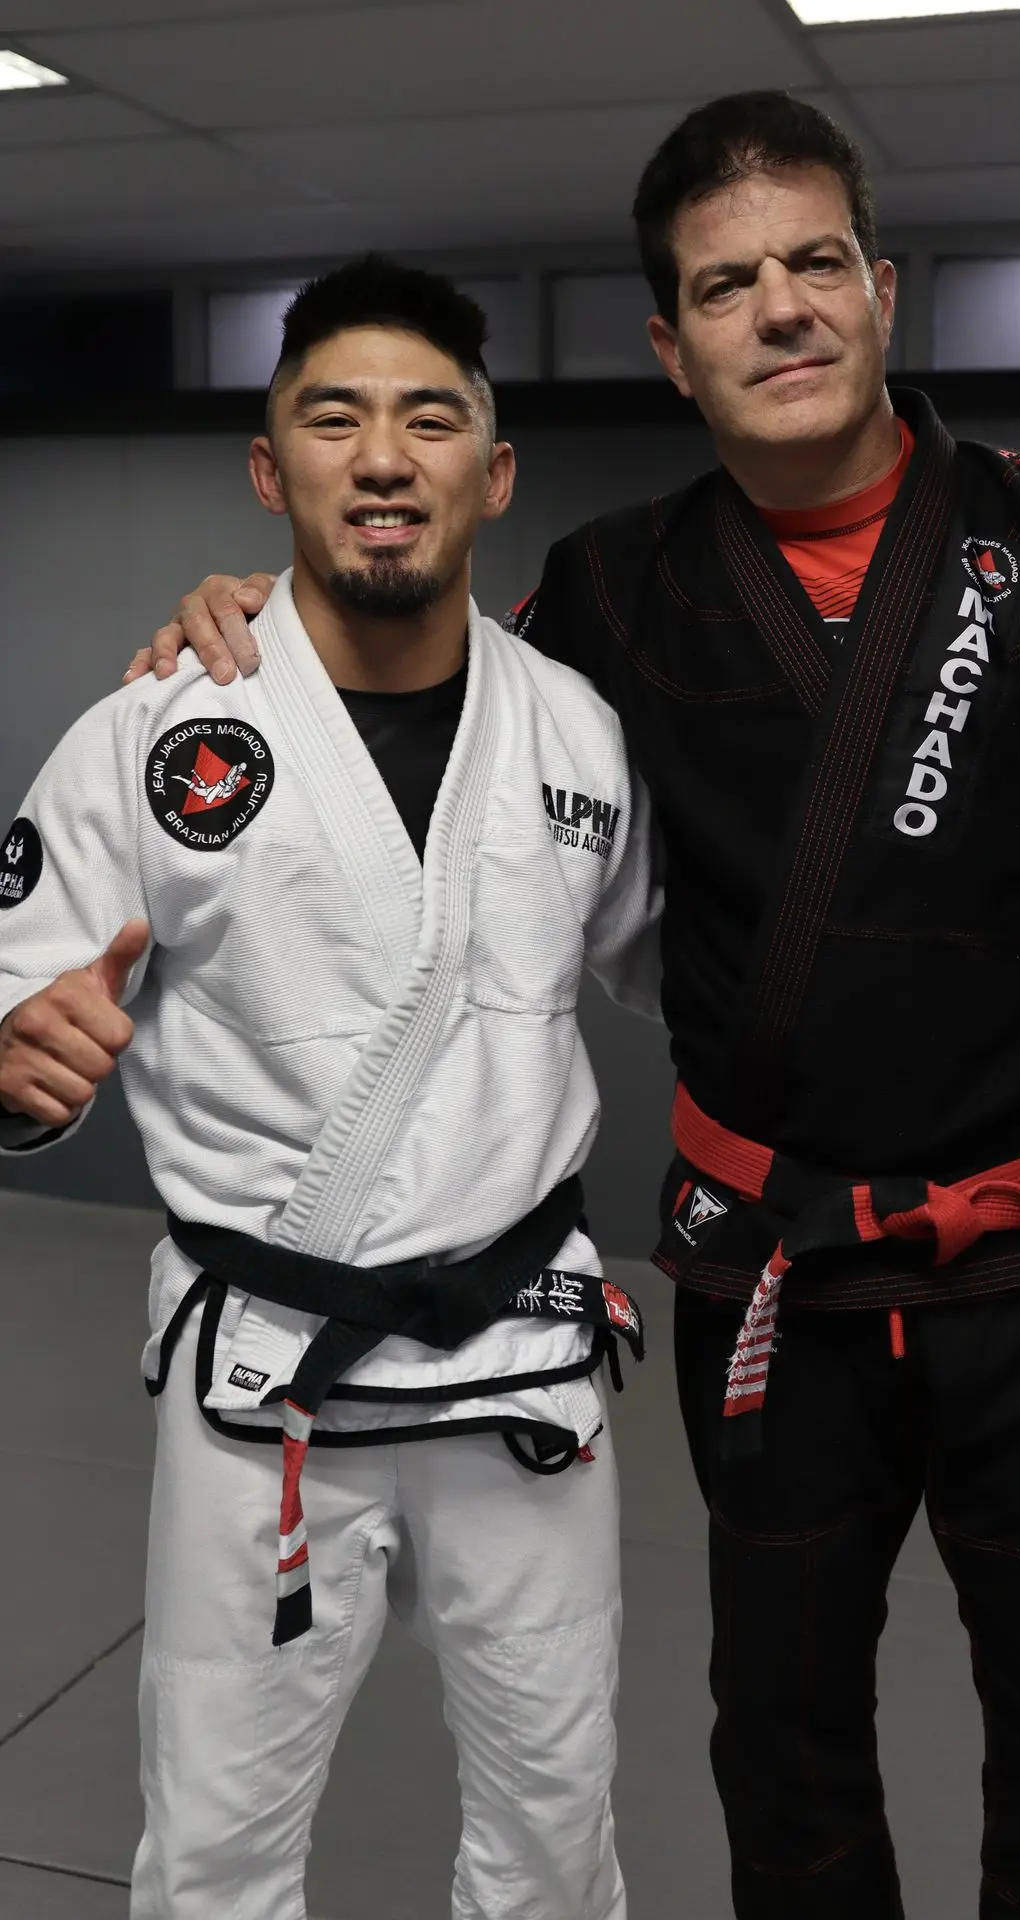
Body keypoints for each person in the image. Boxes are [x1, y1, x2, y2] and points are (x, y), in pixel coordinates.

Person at [127, 93, 1020, 1920]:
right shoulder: (615, 589)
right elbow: (424, 694)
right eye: (728, 283)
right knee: (784, 1733)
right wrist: (244, 635)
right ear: (674, 345)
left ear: (884, 291)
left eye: (818, 262)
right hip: (772, 1274)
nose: (784, 308)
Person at [0, 255, 662, 1920]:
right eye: (334, 417)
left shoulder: (580, 734)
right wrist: (17, 1074)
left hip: (520, 1361)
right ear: (271, 466)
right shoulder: (151, 729)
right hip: (265, 1383)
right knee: (214, 1853)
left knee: (557, 1834)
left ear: (491, 473)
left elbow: (710, 982)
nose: (383, 456)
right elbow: (17, 1000)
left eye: (431, 418)